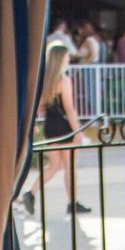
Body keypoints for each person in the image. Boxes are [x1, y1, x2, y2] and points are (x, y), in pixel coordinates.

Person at [20, 41, 91, 217]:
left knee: (54, 166)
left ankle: (30, 193)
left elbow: (40, 107)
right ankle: (72, 203)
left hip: (51, 126)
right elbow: (69, 108)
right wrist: (78, 131)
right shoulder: (63, 80)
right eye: (67, 56)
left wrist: (33, 124)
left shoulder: (45, 80)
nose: (68, 59)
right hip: (63, 127)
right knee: (70, 167)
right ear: (61, 59)